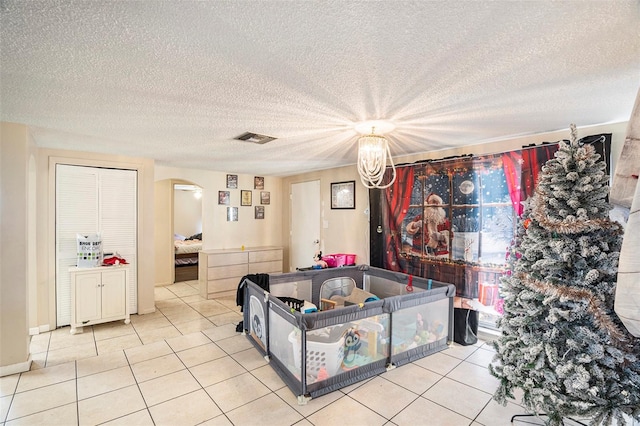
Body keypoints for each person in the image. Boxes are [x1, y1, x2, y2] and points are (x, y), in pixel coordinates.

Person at [405, 193, 452, 257]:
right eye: (433, 202)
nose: (435, 204)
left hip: (439, 253)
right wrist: (415, 225)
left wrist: (442, 237)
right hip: (420, 252)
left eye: (437, 202)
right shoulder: (420, 217)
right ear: (428, 204)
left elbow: (450, 235)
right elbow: (409, 229)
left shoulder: (444, 221)